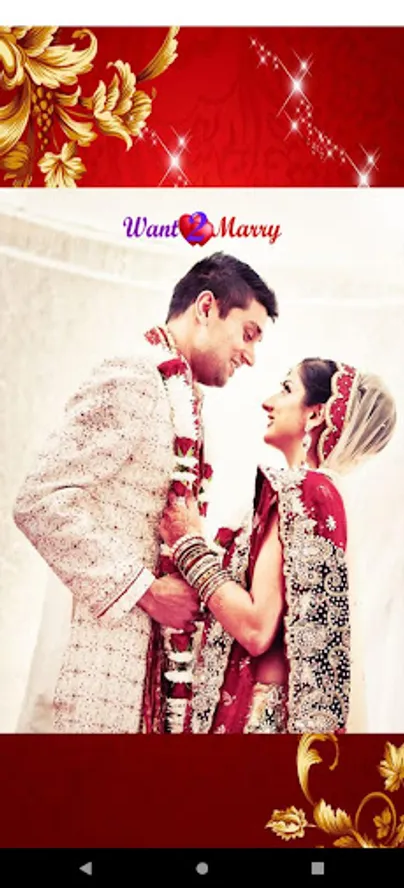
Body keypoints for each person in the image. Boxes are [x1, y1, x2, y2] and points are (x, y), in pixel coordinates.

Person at [12, 252, 278, 733]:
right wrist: (147, 591)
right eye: (248, 333)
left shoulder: (184, 400)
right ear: (206, 308)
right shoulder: (134, 377)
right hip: (93, 664)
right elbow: (41, 499)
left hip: (145, 670)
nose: (251, 355)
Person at [158, 358, 397, 733]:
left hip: (258, 725)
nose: (268, 402)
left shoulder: (303, 491)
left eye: (286, 389)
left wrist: (188, 546)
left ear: (316, 414)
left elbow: (255, 628)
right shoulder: (320, 493)